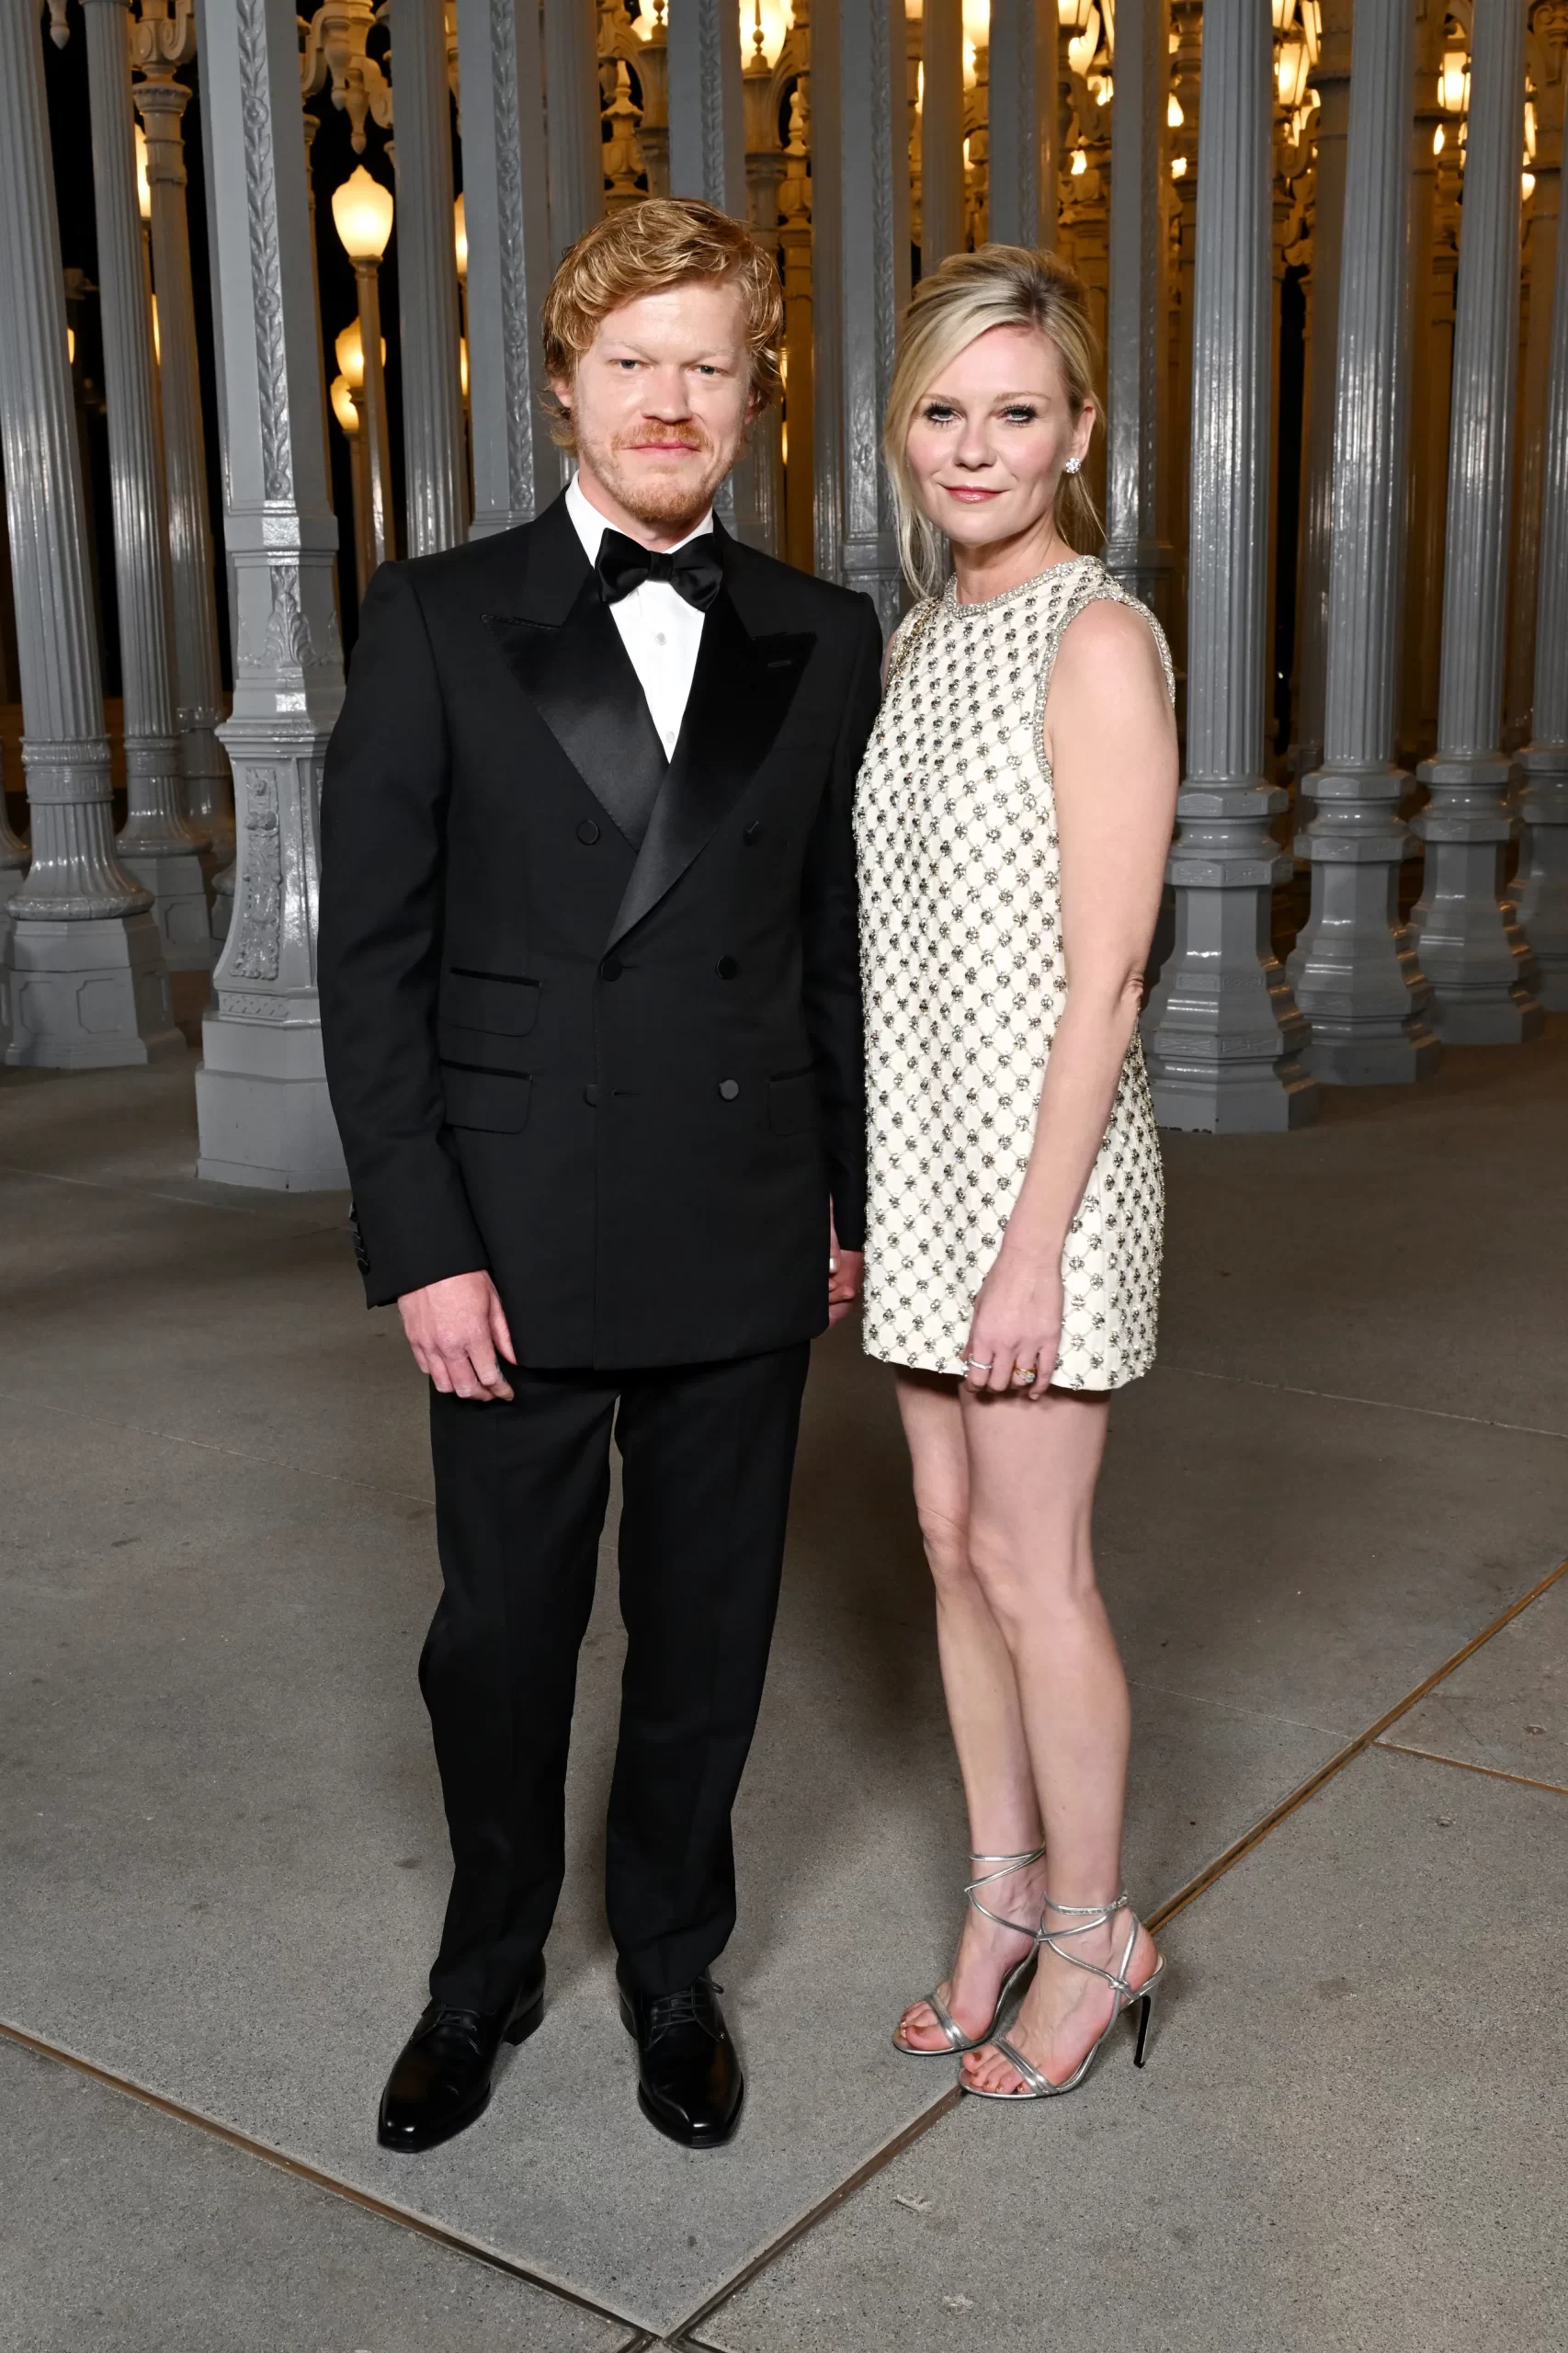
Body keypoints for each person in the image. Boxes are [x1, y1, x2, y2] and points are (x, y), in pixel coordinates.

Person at [317, 199, 881, 2153]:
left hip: (736, 1211)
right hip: (516, 1233)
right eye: (632, 358)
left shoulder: (821, 631)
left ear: (751, 396)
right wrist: (423, 1241)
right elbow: (369, 961)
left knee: (708, 1628)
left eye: (708, 362)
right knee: (500, 1635)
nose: (669, 396)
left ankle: (666, 1956)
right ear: (561, 383)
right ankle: (479, 1965)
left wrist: (848, 1199)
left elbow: (831, 941)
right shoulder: (438, 615)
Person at [855, 245, 1179, 2100]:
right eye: (942, 411)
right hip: (921, 1163)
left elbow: (1109, 971)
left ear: (1078, 434)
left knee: (1037, 1566)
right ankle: (1000, 1882)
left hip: (1038, 1186)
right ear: (905, 430)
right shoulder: (920, 635)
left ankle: (1095, 1928)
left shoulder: (1097, 639)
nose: (974, 448)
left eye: (1015, 413)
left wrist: (1030, 1247)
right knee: (943, 1539)